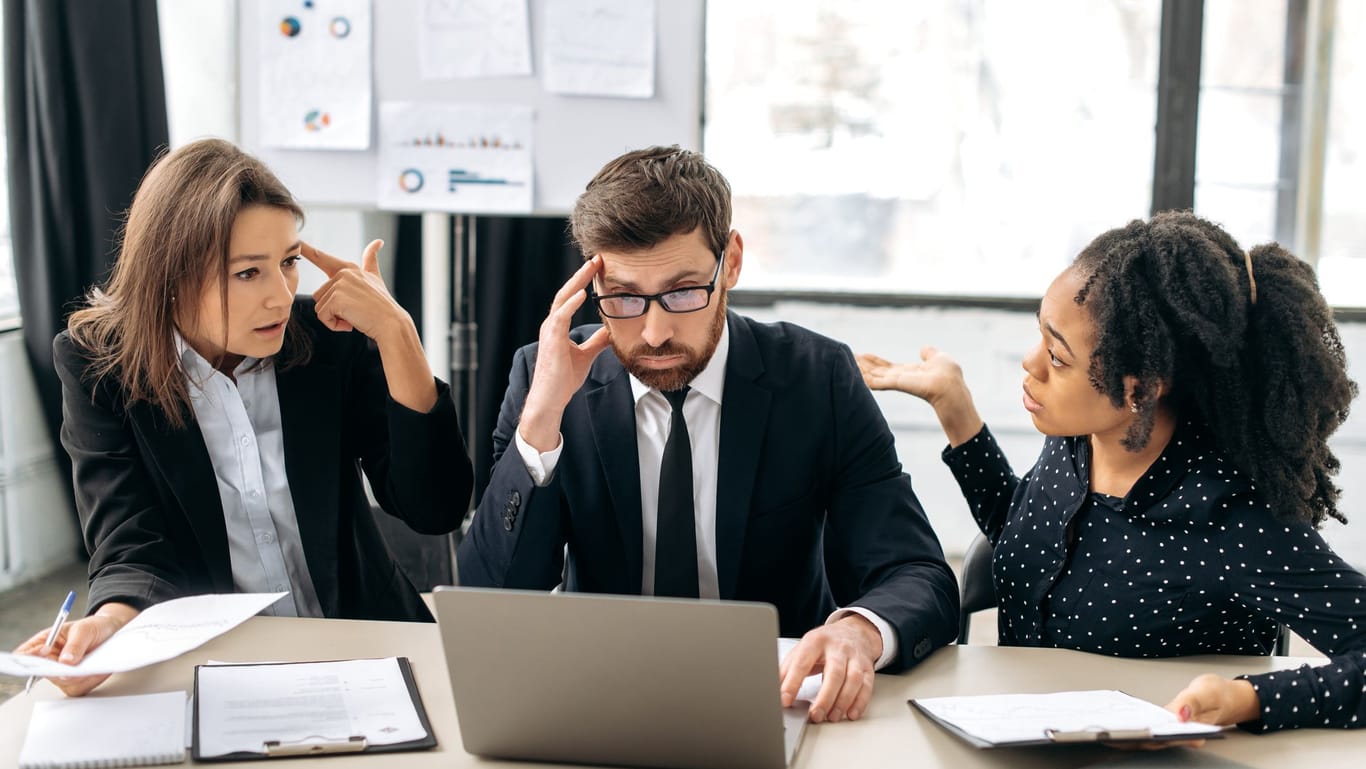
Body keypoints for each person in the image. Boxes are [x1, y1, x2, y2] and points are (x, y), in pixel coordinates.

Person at [457, 146, 958, 723]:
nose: (654, 330)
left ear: (733, 262)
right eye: (622, 297)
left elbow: (917, 574)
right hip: (597, 698)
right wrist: (542, 420)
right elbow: (488, 597)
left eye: (684, 290)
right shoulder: (545, 377)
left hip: (775, 700)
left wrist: (859, 632)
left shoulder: (817, 379)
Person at [858, 210, 1366, 733]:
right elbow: (1021, 536)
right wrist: (954, 408)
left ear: (1139, 389)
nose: (1030, 364)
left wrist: (1249, 699)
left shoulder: (1231, 517)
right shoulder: (1075, 442)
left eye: (1058, 357)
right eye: (1041, 338)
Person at [14, 138, 474, 696]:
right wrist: (108, 625)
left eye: (288, 264)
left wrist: (399, 337)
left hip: (364, 640)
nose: (281, 298)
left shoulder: (327, 342)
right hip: (218, 666)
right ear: (170, 276)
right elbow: (130, 539)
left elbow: (435, 507)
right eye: (248, 274)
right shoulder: (99, 364)